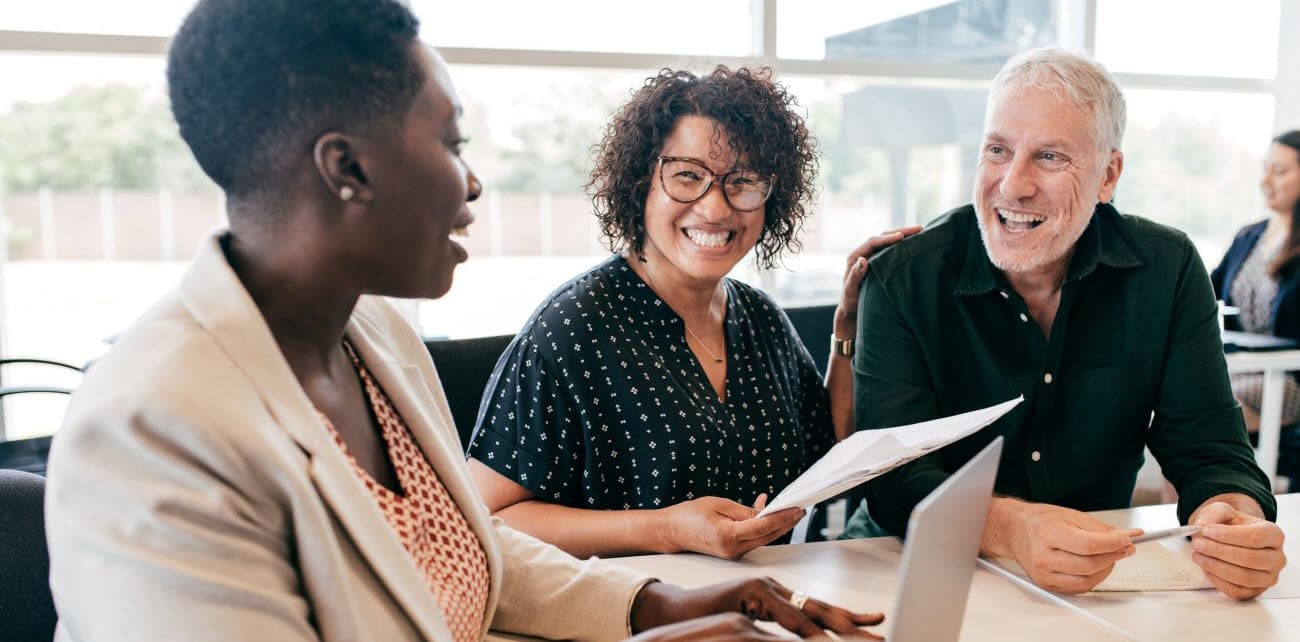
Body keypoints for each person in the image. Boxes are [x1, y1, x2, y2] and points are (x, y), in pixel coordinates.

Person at [43, 1, 887, 640]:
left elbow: (467, 546)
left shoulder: (376, 338)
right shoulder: (152, 427)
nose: (474, 185)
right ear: (348, 168)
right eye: (452, 144)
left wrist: (662, 605)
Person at [846, 47, 1286, 600]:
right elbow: (893, 476)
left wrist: (1232, 518)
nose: (1012, 185)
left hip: (1093, 576)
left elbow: (1209, 448)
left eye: (1050, 157)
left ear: (1108, 175)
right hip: (906, 563)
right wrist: (1012, 528)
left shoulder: (1167, 269)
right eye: (998, 150)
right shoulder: (903, 278)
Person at [466, 65, 916, 560]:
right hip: (631, 617)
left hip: (761, 605)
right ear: (641, 184)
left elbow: (831, 447)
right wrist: (664, 529)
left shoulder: (760, 318)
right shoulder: (573, 329)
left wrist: (847, 327)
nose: (716, 209)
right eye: (688, 176)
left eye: (742, 182)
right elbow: (489, 518)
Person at [1211, 132, 1300, 437]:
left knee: (1204, 418)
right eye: (1265, 169)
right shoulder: (1249, 236)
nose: (1266, 181)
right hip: (1239, 366)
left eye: (1280, 171)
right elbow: (1206, 292)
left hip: (1289, 378)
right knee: (1180, 408)